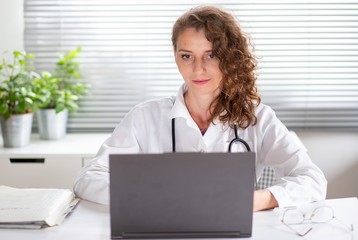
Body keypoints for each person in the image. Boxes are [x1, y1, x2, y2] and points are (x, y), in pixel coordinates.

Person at [74, 5, 327, 211]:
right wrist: (149, 198)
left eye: (211, 55)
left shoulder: (257, 117)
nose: (198, 68)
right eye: (187, 56)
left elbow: (313, 179)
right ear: (175, 57)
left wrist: (260, 199)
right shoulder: (145, 117)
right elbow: (89, 178)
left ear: (230, 57)